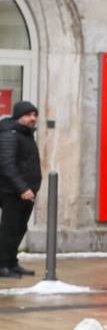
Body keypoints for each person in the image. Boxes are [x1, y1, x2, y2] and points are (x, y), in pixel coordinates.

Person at [0, 101, 40, 278]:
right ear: (18, 116)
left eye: (35, 115)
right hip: (13, 191)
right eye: (28, 115)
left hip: (27, 192)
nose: (33, 118)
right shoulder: (10, 134)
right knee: (9, 230)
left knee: (19, 228)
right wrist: (22, 188)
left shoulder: (26, 134)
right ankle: (2, 265)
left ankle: (11, 263)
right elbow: (6, 165)